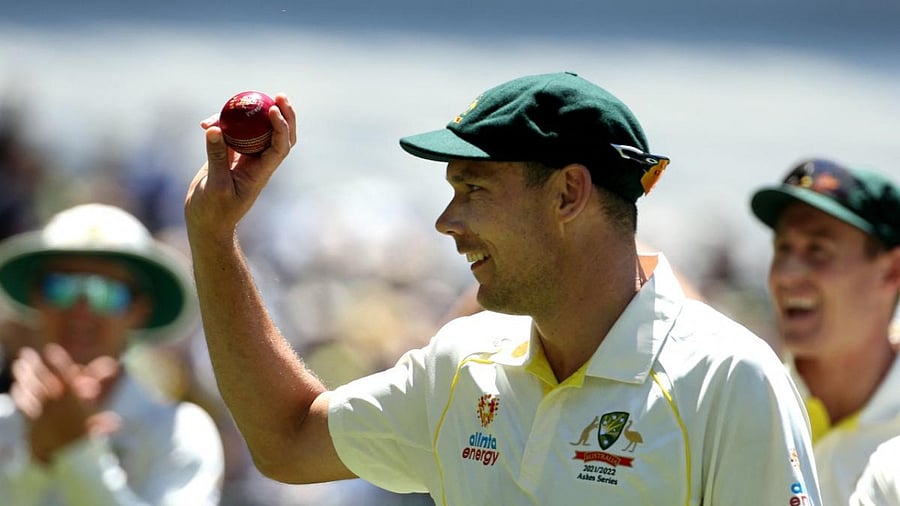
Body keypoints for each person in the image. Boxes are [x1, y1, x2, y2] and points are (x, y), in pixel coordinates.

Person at [184, 71, 821, 504]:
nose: (446, 222)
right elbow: (287, 440)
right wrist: (213, 236)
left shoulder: (728, 379)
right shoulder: (462, 362)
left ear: (568, 194)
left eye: (473, 188)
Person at [0, 203, 225, 505]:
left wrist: (76, 451)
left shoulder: (181, 431)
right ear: (36, 298)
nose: (80, 308)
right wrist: (38, 459)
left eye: (105, 292)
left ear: (139, 310)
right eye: (61, 287)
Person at [749, 158, 900, 505]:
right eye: (782, 248)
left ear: (892, 271)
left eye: (818, 250)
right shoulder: (740, 399)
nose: (786, 275)